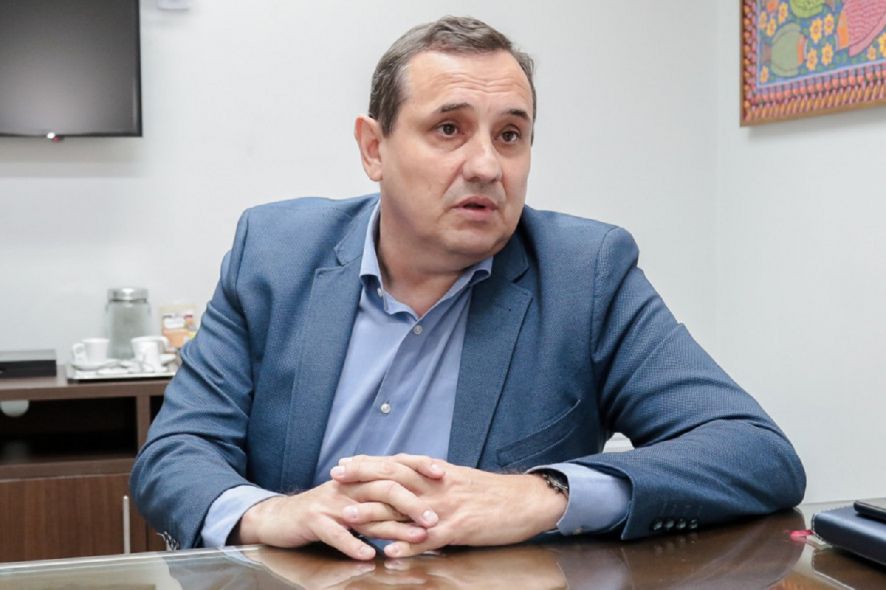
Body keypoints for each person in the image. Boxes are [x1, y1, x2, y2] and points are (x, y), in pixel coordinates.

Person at [131, 15, 805, 561]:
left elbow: (755, 452)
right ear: (374, 148)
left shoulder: (585, 273)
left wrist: (543, 496)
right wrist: (271, 514)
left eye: (510, 135)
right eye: (448, 129)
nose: (485, 165)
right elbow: (176, 452)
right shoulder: (275, 253)